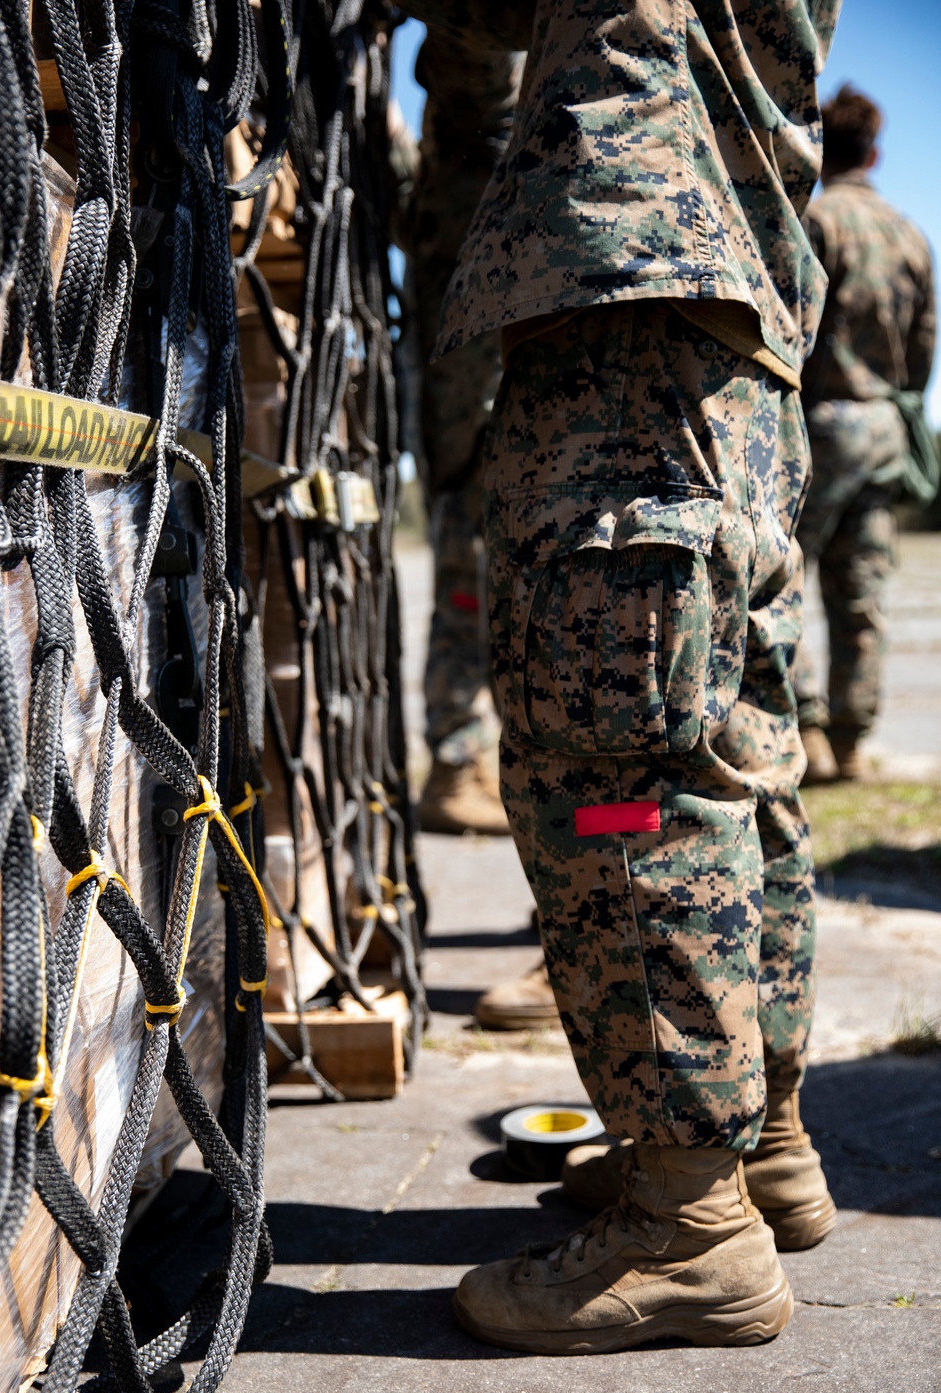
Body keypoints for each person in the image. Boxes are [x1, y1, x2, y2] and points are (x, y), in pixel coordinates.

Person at [403, 0, 841, 1355]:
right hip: (729, 317)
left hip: (620, 290)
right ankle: (758, 1153)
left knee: (618, 781)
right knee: (727, 755)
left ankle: (686, 1229)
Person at [793, 86, 937, 784]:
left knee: (780, 576)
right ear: (876, 152)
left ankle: (809, 731)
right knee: (861, 592)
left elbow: (793, 329)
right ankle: (852, 741)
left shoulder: (816, 224)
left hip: (822, 423)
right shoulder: (910, 234)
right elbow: (925, 345)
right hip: (884, 426)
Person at [400, 34, 522, 839]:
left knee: (469, 562)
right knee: (469, 567)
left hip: (465, 388)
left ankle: (463, 754)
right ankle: (456, 759)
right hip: (475, 391)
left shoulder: (459, 155)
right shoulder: (489, 147)